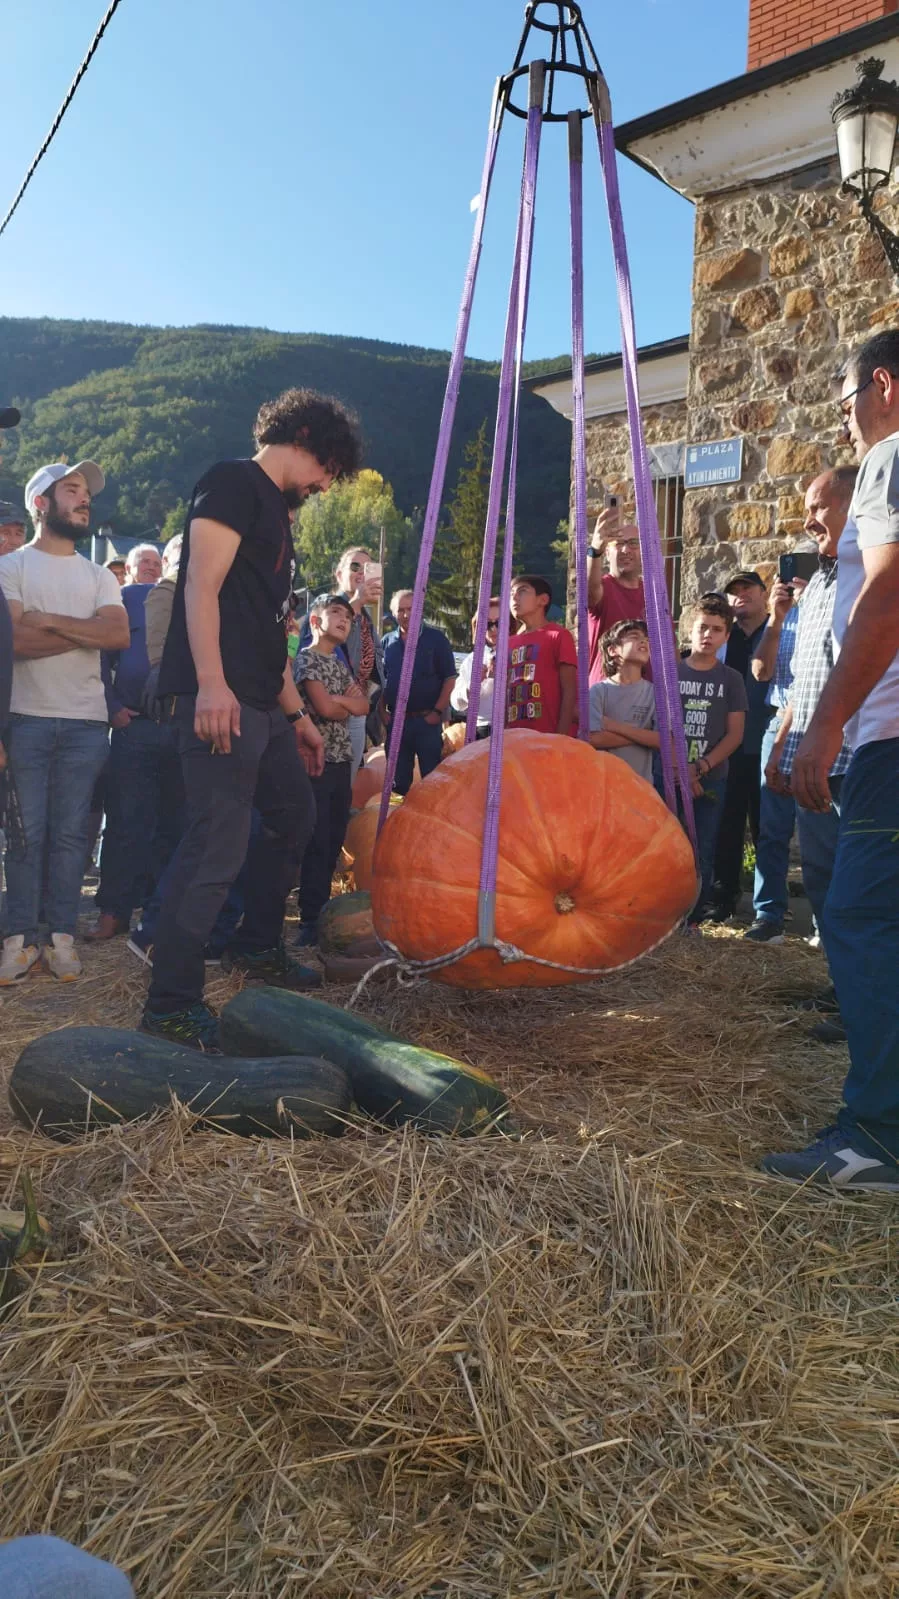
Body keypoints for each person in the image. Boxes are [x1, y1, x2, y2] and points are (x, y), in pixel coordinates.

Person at [141, 388, 362, 1049]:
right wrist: (209, 684)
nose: (325, 485)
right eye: (326, 469)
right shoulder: (232, 481)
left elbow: (265, 628)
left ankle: (256, 944)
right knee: (216, 845)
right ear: (301, 436)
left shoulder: (279, 514)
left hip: (262, 706)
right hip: (217, 700)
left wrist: (296, 714)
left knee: (296, 814)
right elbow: (200, 588)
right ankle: (170, 1003)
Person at [761, 330, 899, 1189]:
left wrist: (826, 726)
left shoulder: (888, 459)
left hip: (890, 736)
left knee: (858, 916)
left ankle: (878, 1136)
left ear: (881, 386)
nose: (846, 423)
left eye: (844, 405)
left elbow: (885, 598)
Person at [0, 462, 127, 984]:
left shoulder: (98, 573)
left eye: (86, 494)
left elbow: (118, 635)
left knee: (74, 836)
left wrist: (46, 619)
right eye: (71, 490)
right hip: (25, 718)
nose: (83, 500)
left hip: (85, 722)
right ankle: (20, 938)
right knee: (25, 835)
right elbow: (15, 644)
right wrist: (85, 631)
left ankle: (59, 936)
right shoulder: (12, 567)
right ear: (40, 504)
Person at [750, 469, 856, 950]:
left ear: (855, 504)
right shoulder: (813, 589)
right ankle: (840, 985)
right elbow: (802, 680)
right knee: (822, 874)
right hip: (806, 758)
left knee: (865, 882)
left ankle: (864, 997)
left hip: (856, 760)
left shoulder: (871, 576)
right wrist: (782, 750)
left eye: (819, 507)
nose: (808, 519)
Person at [86, 553, 182, 942]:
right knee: (125, 821)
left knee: (176, 824)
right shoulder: (129, 598)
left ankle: (161, 916)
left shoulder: (205, 597)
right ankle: (114, 912)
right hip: (135, 726)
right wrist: (112, 709)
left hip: (183, 726)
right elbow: (101, 656)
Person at [293, 594, 369, 945]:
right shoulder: (306, 660)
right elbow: (324, 709)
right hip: (316, 760)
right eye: (336, 613)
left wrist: (339, 702)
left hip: (341, 760)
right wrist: (342, 703)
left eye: (349, 618)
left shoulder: (339, 665)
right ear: (315, 621)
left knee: (335, 836)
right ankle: (309, 918)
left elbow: (363, 704)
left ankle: (322, 911)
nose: (344, 620)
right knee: (316, 838)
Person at [677, 593, 748, 926]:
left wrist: (701, 767)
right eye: (703, 627)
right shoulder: (670, 673)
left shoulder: (730, 679)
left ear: (726, 636)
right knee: (664, 846)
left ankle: (691, 919)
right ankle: (662, 918)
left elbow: (735, 734)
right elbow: (660, 725)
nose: (708, 635)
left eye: (717, 630)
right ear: (690, 628)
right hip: (669, 775)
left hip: (712, 777)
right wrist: (681, 771)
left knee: (702, 849)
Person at [743, 578, 803, 944]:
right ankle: (769, 915)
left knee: (823, 832)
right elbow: (760, 673)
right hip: (778, 718)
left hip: (822, 721)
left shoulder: (836, 610)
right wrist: (777, 621)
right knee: (772, 829)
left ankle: (825, 924)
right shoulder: (780, 618)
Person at [709, 570, 771, 921]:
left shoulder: (780, 631)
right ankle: (723, 899)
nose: (740, 595)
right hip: (729, 747)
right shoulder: (724, 641)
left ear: (763, 593)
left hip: (769, 742)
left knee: (768, 828)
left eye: (747, 588)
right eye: (733, 591)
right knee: (726, 826)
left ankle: (769, 907)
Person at [382, 589, 456, 794]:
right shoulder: (387, 642)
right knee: (397, 782)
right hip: (397, 722)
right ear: (393, 613)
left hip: (427, 722)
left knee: (432, 780)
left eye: (411, 609)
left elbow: (449, 679)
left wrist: (436, 713)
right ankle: (396, 821)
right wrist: (382, 713)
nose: (406, 615)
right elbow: (379, 681)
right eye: (401, 610)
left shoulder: (436, 640)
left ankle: (431, 821)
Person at [332, 545, 385, 774]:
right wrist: (357, 600)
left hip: (357, 710)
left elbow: (376, 655)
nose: (361, 573)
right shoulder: (327, 604)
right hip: (331, 710)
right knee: (329, 776)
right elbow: (329, 633)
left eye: (367, 568)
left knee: (349, 776)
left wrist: (372, 691)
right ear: (339, 574)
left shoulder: (365, 616)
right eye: (355, 566)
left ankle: (345, 808)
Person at [588, 619, 656, 782]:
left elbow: (664, 741)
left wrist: (612, 726)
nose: (643, 641)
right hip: (605, 785)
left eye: (646, 639)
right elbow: (592, 739)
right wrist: (644, 735)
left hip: (642, 787)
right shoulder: (599, 691)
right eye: (634, 636)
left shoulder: (655, 693)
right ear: (613, 650)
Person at [507, 575, 577, 735]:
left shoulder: (558, 635)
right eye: (511, 594)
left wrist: (561, 736)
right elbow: (505, 693)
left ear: (543, 600)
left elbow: (569, 690)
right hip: (514, 737)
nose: (514, 597)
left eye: (522, 591)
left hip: (548, 735)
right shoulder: (508, 643)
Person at [586, 505, 646, 683]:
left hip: (646, 694)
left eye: (633, 543)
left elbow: (669, 645)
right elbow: (590, 590)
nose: (626, 550)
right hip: (605, 694)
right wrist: (595, 548)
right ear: (607, 552)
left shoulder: (654, 595)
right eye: (619, 543)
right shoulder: (603, 587)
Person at [450, 597, 502, 736]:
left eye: (499, 623)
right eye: (487, 624)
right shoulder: (472, 659)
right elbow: (456, 702)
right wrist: (472, 685)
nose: (494, 629)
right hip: (483, 729)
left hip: (514, 728)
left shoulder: (519, 652)